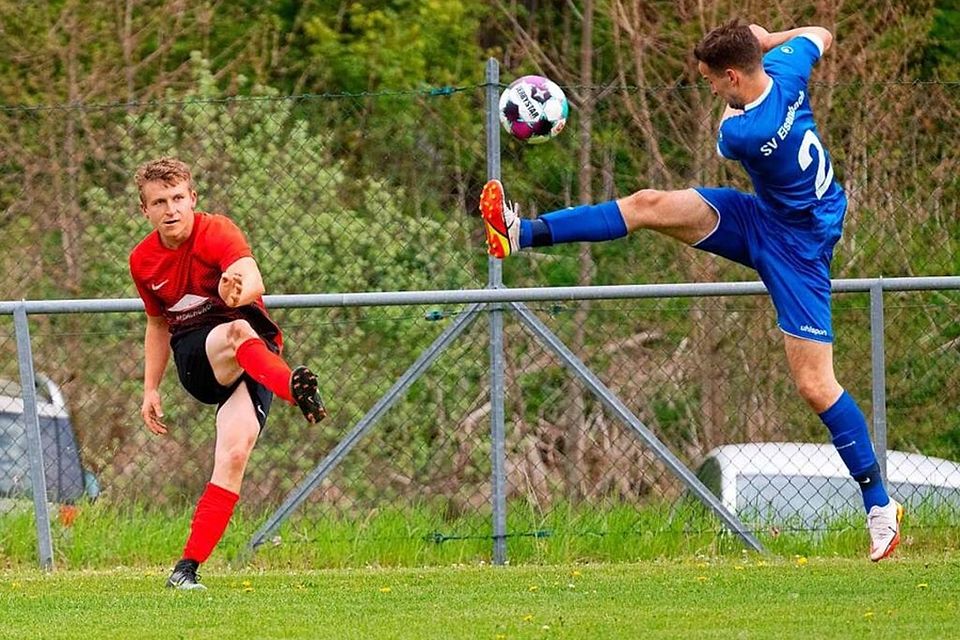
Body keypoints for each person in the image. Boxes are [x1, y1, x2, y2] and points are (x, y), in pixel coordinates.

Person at [480, 20, 904, 561]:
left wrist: (763, 44)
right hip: (766, 213)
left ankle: (879, 504)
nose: (708, 90)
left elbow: (732, 124)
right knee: (648, 204)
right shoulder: (786, 68)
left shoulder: (743, 133)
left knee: (816, 385)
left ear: (731, 76)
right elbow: (820, 33)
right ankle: (522, 234)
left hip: (799, 246)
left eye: (710, 81)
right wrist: (771, 40)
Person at [129, 157, 327, 590]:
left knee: (234, 455)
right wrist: (150, 388)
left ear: (193, 198)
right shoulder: (143, 261)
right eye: (159, 202)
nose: (171, 209)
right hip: (199, 359)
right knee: (237, 330)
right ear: (145, 210)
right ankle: (297, 393)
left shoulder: (217, 230)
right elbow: (157, 324)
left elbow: (251, 277)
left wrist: (238, 288)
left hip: (258, 359)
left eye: (178, 197)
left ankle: (185, 570)